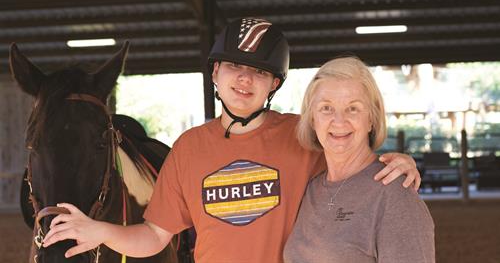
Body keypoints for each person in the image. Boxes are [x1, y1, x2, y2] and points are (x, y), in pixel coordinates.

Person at [43, 18, 421, 263]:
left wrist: (396, 160)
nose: (244, 79)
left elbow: (348, 146)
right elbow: (155, 235)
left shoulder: (302, 135)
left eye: (258, 71)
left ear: (274, 84)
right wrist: (100, 231)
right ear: (215, 73)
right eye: (235, 67)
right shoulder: (189, 148)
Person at [283, 56, 435, 263]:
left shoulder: (394, 193)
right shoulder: (310, 187)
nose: (339, 120)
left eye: (353, 108)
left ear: (371, 118)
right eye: (326, 108)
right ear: (311, 118)